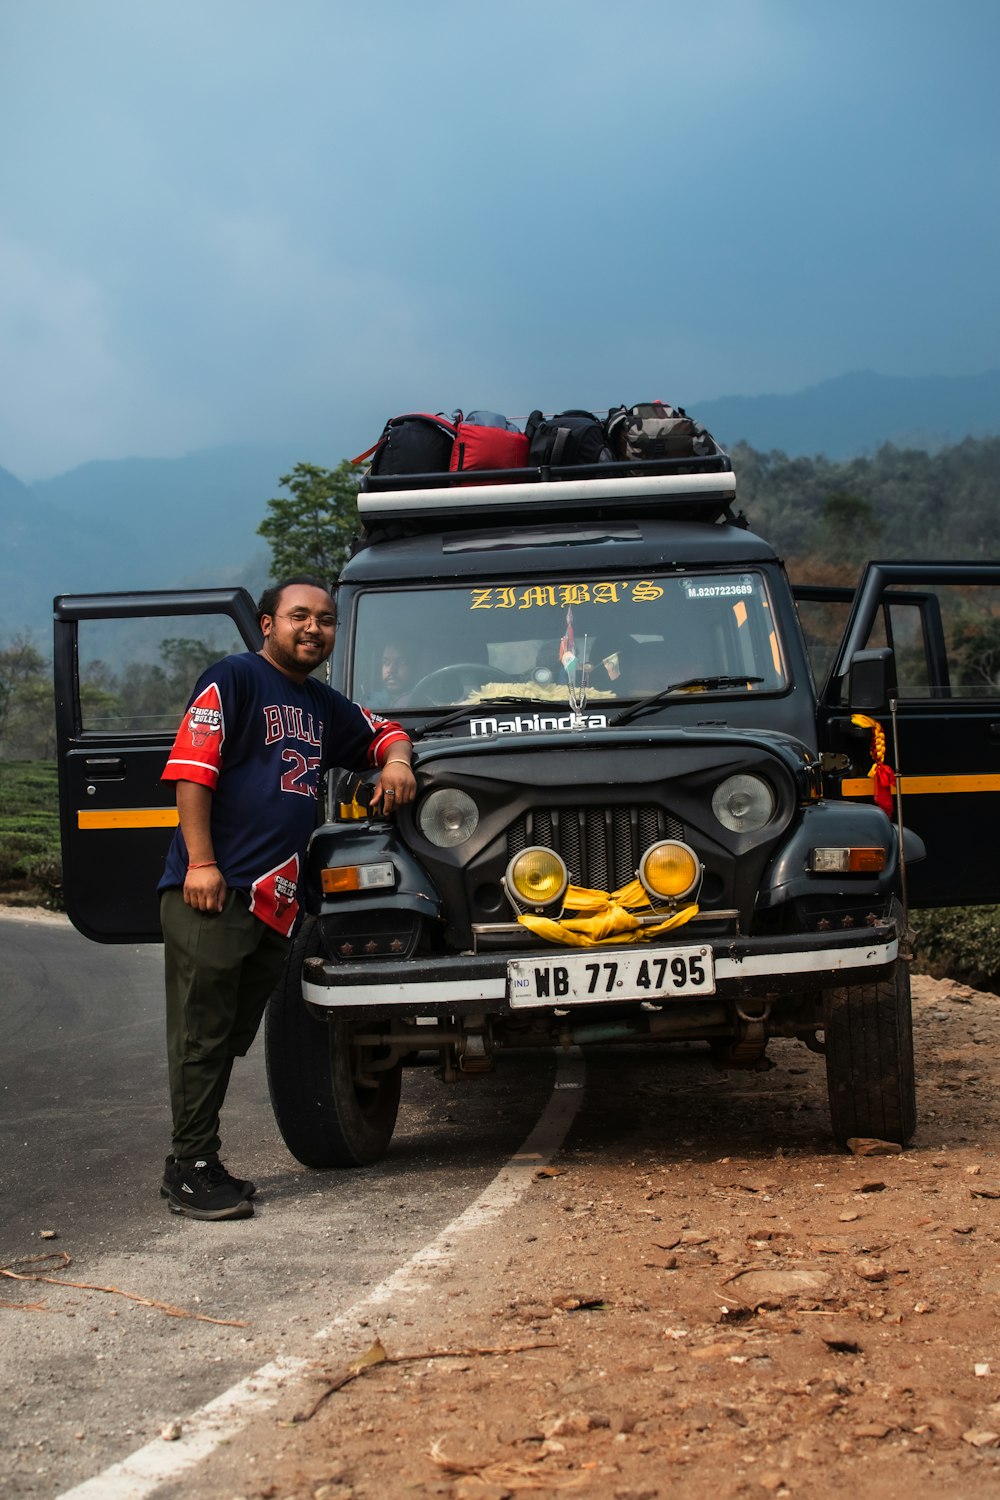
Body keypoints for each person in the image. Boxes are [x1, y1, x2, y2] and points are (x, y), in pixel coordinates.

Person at [157, 575, 416, 1221]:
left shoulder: (322, 704)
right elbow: (192, 771)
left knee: (228, 1034)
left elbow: (386, 732)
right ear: (267, 624)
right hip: (218, 891)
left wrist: (398, 763)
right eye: (299, 616)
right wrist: (203, 863)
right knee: (201, 1033)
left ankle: (202, 1159)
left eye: (326, 621)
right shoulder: (234, 678)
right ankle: (188, 1169)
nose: (313, 629)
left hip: (275, 902)